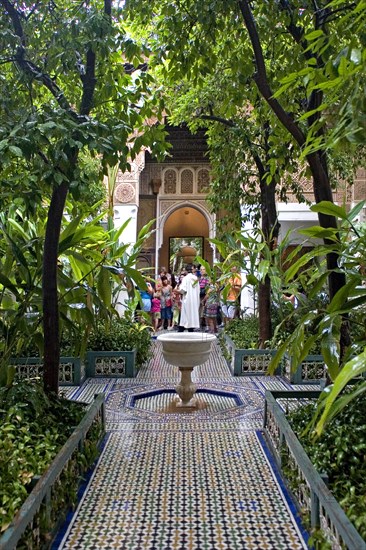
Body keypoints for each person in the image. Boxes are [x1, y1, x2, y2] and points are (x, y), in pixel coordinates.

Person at [178, 264, 200, 332]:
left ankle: (181, 329)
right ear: (192, 270)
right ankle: (191, 329)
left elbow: (183, 289)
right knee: (192, 314)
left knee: (185, 314)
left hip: (187, 299)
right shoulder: (196, 278)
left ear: (186, 271)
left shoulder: (185, 278)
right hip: (194, 299)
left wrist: (178, 290)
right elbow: (198, 289)